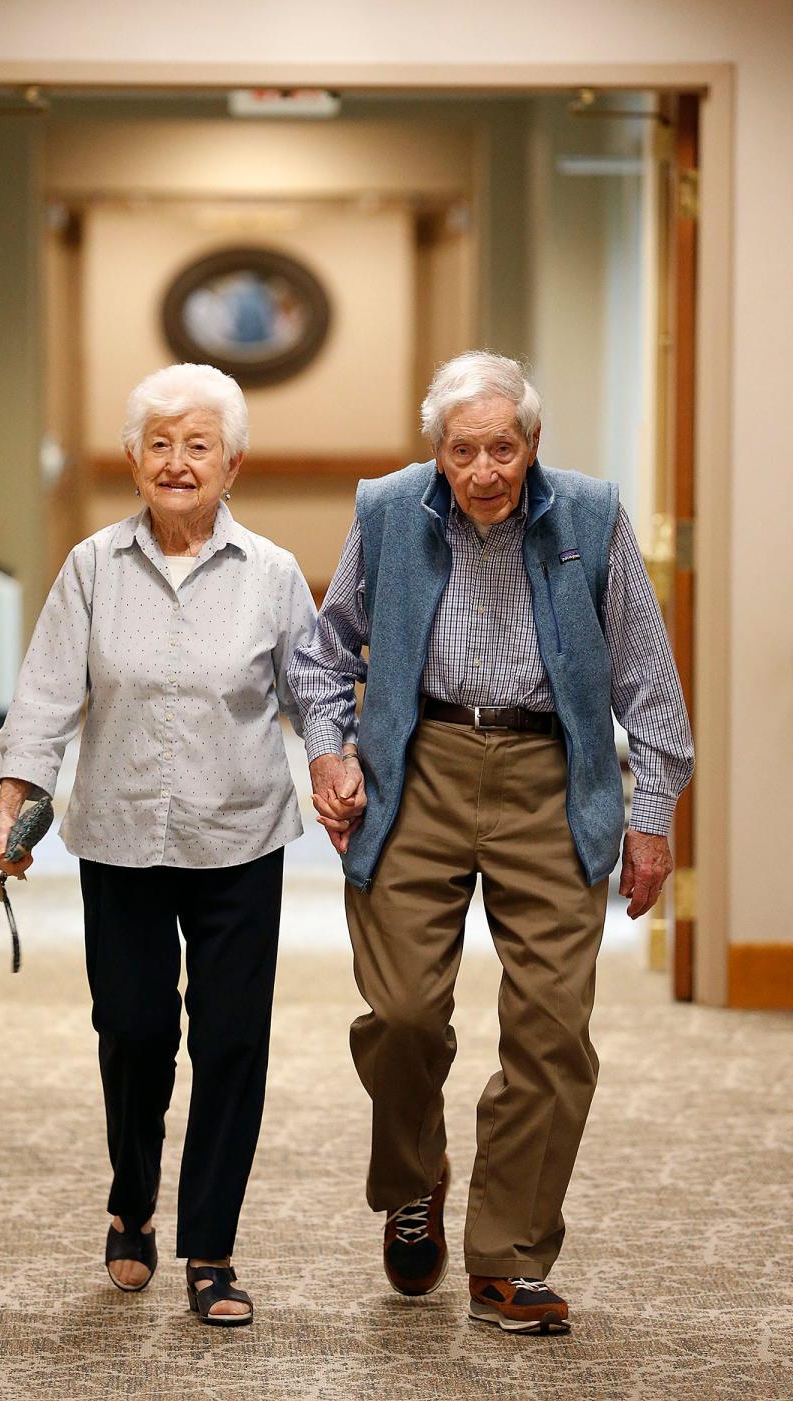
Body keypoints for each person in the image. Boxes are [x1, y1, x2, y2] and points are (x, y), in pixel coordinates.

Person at [288, 351, 694, 1335]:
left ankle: (508, 1257)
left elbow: (645, 668)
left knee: (553, 1031)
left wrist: (652, 815)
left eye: (502, 447)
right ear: (437, 452)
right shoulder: (389, 510)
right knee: (401, 1015)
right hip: (415, 764)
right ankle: (415, 1169)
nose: (483, 470)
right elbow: (323, 647)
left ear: (532, 446)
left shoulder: (590, 516)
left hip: (549, 774)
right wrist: (330, 750)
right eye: (463, 450)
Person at [0, 362, 316, 1327]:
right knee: (133, 1033)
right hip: (122, 832)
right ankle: (132, 1199)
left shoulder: (273, 576)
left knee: (232, 1042)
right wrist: (18, 798)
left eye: (199, 445)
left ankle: (210, 1247)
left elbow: (316, 700)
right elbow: (48, 692)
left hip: (241, 832)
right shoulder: (93, 565)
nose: (179, 462)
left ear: (234, 463)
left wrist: (344, 773)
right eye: (160, 444)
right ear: (134, 460)